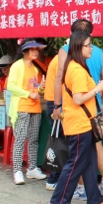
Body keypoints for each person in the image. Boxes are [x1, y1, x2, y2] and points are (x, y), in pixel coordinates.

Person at [46, 30, 103, 204]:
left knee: (89, 161)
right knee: (75, 163)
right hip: (80, 123)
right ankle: (58, 202)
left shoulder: (76, 67)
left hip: (85, 123)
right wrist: (98, 88)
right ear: (77, 47)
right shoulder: (76, 70)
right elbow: (77, 99)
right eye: (88, 45)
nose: (91, 48)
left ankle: (94, 199)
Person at [7, 39, 48, 185]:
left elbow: (35, 89)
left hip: (35, 107)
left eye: (37, 49)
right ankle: (17, 170)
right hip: (22, 107)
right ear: (24, 51)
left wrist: (41, 88)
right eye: (32, 49)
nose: (36, 52)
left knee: (33, 139)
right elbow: (10, 86)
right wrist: (28, 94)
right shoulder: (17, 66)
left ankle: (32, 168)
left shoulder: (35, 69)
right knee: (20, 139)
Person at [44, 54, 61, 191]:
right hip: (57, 103)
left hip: (55, 103)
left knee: (60, 141)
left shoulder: (60, 57)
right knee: (59, 142)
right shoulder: (62, 59)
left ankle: (56, 178)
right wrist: (57, 106)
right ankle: (54, 179)